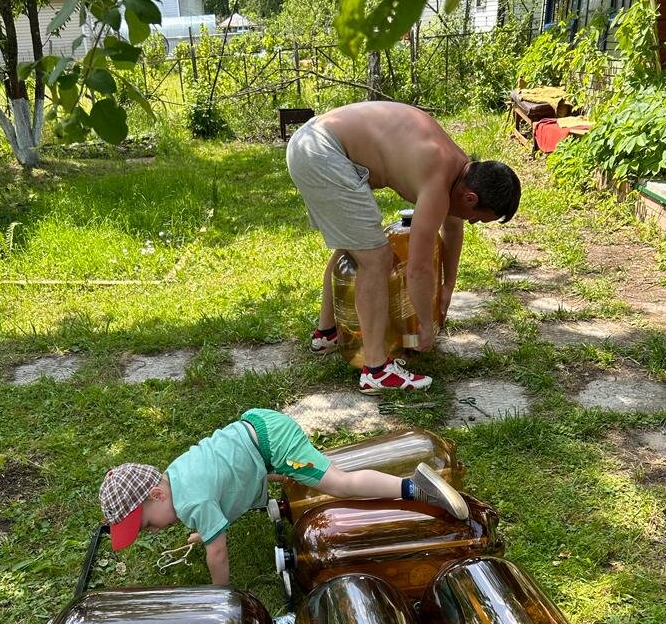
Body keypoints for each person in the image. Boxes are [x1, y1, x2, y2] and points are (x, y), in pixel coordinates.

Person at [286, 101, 521, 393]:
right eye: (478, 218)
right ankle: (376, 370)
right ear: (471, 198)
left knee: (355, 245)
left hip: (311, 141)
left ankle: (327, 333)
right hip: (321, 150)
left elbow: (452, 227)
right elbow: (419, 268)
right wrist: (425, 325)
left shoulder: (459, 168)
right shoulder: (438, 180)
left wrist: (448, 287)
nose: (472, 222)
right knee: (376, 259)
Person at [99, 408, 469, 585]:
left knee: (339, 484)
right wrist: (201, 529)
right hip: (257, 433)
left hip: (273, 443)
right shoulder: (178, 475)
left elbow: (219, 551)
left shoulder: (193, 502)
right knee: (315, 474)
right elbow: (222, 489)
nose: (153, 530)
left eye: (147, 524)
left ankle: (413, 488)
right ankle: (395, 483)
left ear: (157, 493)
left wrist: (220, 596)